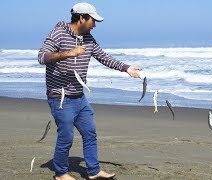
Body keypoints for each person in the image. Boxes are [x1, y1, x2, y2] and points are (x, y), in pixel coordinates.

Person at [38, 2, 141, 180]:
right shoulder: (59, 33)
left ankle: (94, 171)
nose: (95, 25)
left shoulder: (88, 39)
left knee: (90, 133)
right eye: (93, 20)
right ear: (82, 18)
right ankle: (60, 173)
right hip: (61, 97)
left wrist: (126, 68)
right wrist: (68, 53)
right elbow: (42, 56)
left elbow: (103, 57)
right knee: (66, 138)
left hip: (79, 97)